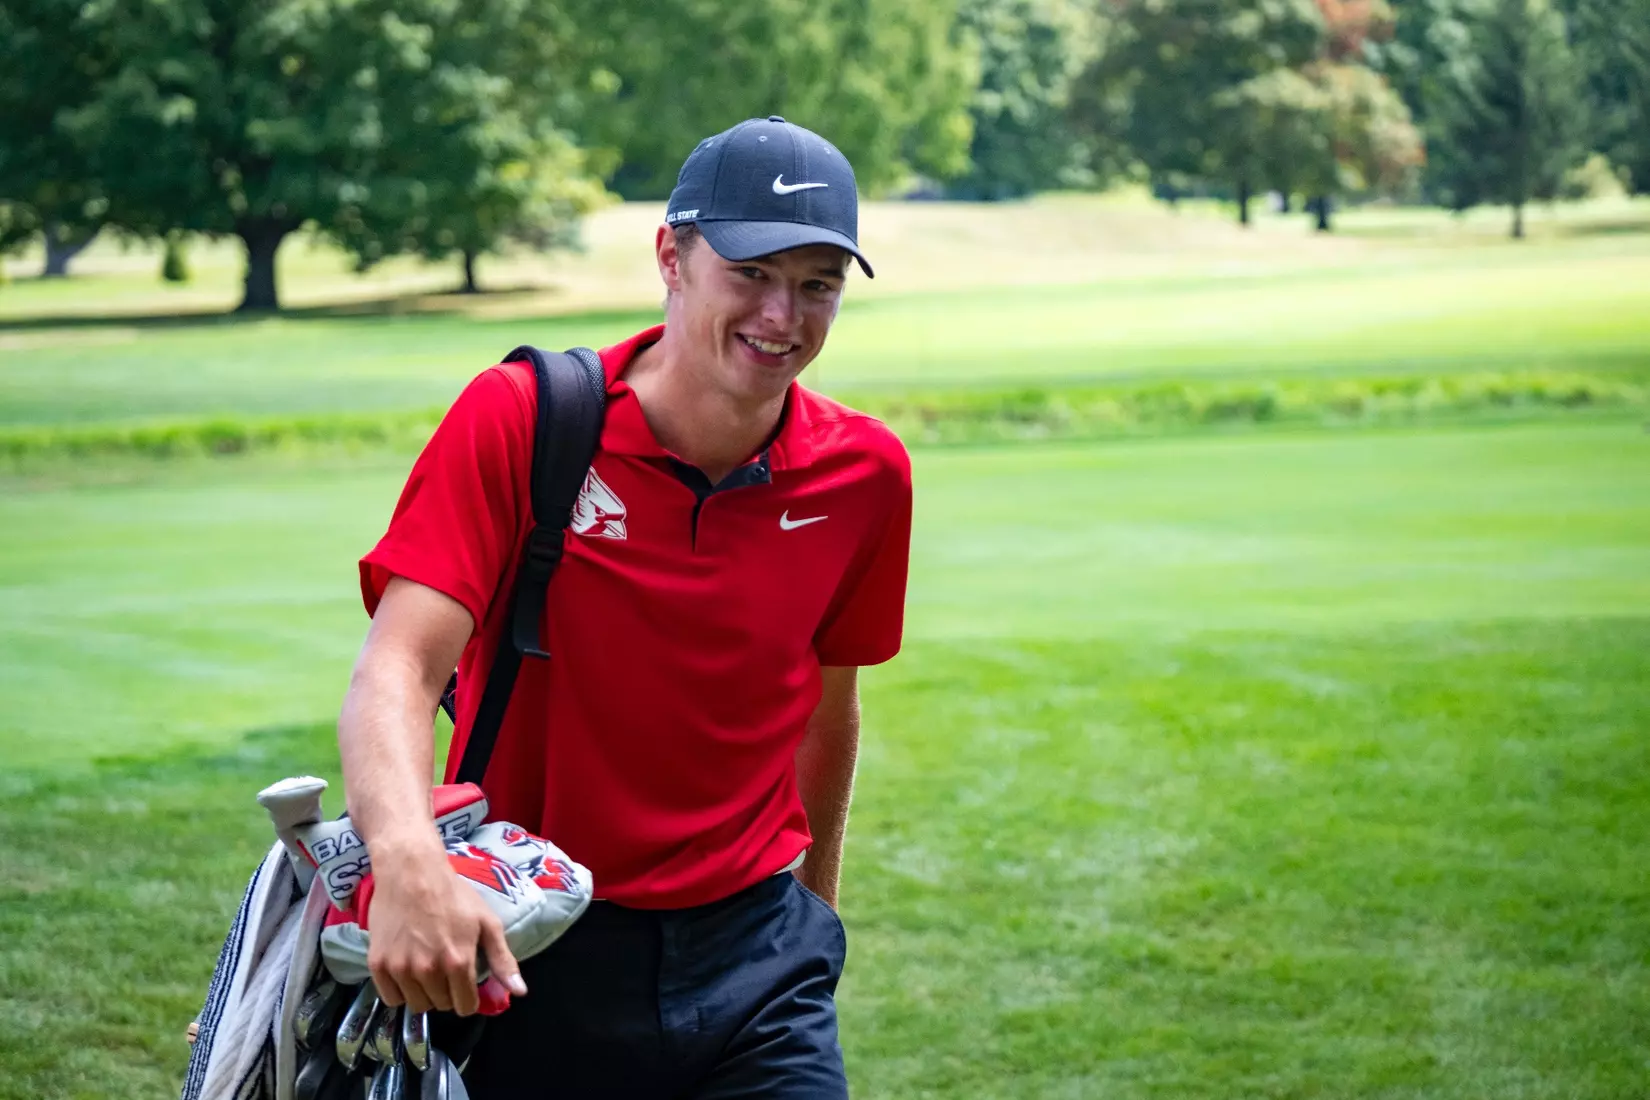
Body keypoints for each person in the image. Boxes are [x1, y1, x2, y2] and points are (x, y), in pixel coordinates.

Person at [336, 115, 914, 1098]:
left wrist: (817, 920)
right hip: (535, 945)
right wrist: (408, 862)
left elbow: (826, 705)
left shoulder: (866, 474)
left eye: (818, 283)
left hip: (760, 953)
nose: (784, 314)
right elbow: (398, 665)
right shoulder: (527, 419)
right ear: (671, 257)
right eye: (752, 271)